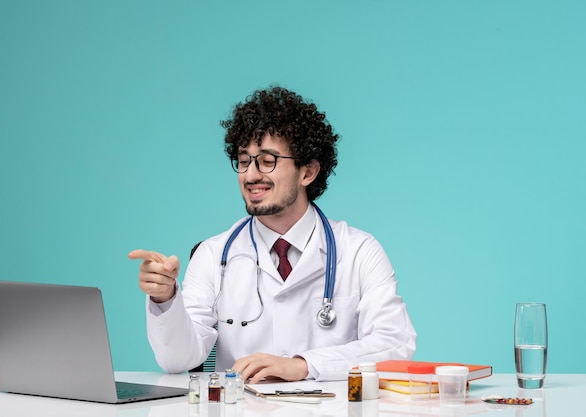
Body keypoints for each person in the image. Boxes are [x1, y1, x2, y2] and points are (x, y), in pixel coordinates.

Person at [129, 86, 416, 383]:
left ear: (308, 172)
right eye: (243, 161)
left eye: (267, 161)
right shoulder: (214, 255)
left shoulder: (358, 251)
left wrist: (304, 365)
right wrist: (165, 298)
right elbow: (178, 359)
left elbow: (394, 345)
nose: (251, 175)